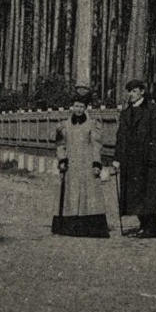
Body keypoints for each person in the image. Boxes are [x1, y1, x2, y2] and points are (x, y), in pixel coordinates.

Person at [112, 78, 156, 238]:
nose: (131, 94)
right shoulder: (126, 113)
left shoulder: (153, 110)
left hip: (148, 160)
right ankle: (142, 225)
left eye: (134, 91)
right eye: (129, 91)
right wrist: (117, 157)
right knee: (134, 195)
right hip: (130, 161)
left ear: (142, 92)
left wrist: (154, 156)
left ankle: (150, 227)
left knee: (150, 195)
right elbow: (121, 137)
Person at [51, 87, 109, 237]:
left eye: (82, 107)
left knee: (88, 196)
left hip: (86, 164)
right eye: (76, 106)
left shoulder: (92, 125)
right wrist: (61, 159)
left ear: (86, 108)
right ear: (72, 106)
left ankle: (88, 228)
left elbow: (96, 145)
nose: (78, 109)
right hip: (71, 165)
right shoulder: (64, 125)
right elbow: (60, 144)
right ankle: (69, 227)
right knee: (70, 195)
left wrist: (96, 163)